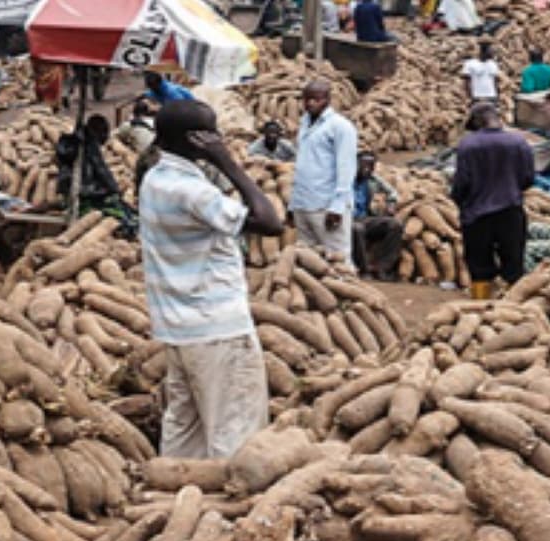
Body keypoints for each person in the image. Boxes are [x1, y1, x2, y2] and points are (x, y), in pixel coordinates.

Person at [137, 98, 286, 459]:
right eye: (211, 132)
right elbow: (270, 222)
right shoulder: (191, 191)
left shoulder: (155, 178)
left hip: (179, 328)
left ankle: (173, 499)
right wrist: (229, 164)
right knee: (234, 430)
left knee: (184, 432)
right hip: (217, 329)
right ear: (195, 140)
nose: (219, 138)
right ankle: (229, 510)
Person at [449, 101, 535, 296]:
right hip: (511, 210)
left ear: (478, 121)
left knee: (479, 266)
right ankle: (515, 308)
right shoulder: (519, 142)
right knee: (514, 264)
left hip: (477, 214)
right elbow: (528, 178)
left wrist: (459, 200)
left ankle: (481, 307)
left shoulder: (468, 144)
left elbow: (462, 181)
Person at [290, 79, 357, 263]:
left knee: (337, 259)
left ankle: (345, 289)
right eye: (307, 99)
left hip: (326, 205)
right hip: (303, 203)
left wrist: (337, 207)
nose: (310, 103)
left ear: (327, 99)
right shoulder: (304, 123)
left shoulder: (340, 127)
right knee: (308, 260)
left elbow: (346, 168)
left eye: (316, 99)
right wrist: (293, 204)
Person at [351, 151, 403, 279]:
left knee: (395, 225)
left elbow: (393, 193)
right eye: (363, 166)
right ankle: (364, 269)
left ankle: (383, 267)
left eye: (371, 166)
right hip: (347, 219)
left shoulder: (372, 180)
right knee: (357, 229)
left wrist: (390, 205)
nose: (367, 170)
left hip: (365, 218)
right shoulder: (345, 179)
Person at [462, 40, 499, 106]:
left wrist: (496, 96)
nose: (493, 52)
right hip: (477, 97)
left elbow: (495, 81)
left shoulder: (493, 64)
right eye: (490, 50)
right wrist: (470, 97)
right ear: (484, 51)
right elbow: (467, 82)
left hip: (491, 97)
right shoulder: (470, 64)